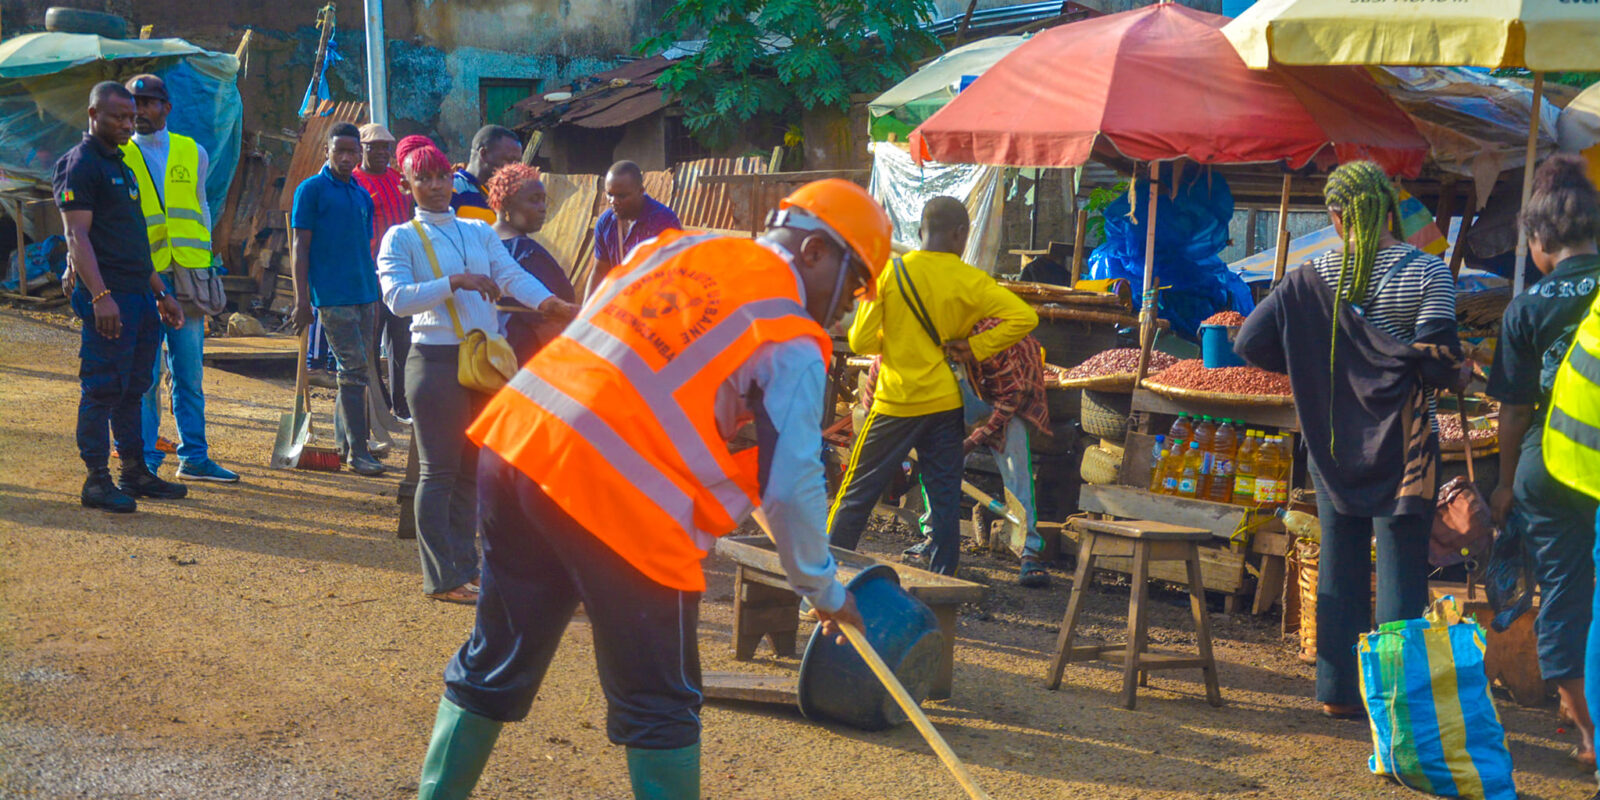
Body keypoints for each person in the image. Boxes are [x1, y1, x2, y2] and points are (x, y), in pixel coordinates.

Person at [415, 179, 887, 800]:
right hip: (622, 497)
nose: (847, 309)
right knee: (659, 703)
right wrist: (822, 589)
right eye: (853, 287)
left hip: (522, 446)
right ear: (817, 253)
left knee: (494, 657)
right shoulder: (788, 328)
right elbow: (793, 480)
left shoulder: (672, 248)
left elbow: (631, 359)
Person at [1235, 160, 1464, 719]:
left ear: (1337, 219)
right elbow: (1436, 365)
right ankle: (1397, 703)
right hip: (1405, 444)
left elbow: (1248, 341)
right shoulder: (1427, 273)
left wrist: (1320, 371)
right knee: (1401, 566)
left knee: (1339, 558)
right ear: (1389, 209)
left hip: (1333, 442)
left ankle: (1337, 695)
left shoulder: (1308, 279)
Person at [378, 137, 580, 605]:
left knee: (472, 471)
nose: (434, 186)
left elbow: (511, 277)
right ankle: (442, 577)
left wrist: (550, 303)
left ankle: (466, 571)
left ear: (454, 177)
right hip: (434, 362)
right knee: (438, 473)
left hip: (484, 361)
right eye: (422, 178)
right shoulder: (402, 237)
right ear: (407, 185)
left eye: (441, 176)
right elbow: (398, 299)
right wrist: (455, 282)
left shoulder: (479, 231)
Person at [827, 196, 1037, 577]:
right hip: (945, 405)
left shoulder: (891, 273)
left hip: (895, 403)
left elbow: (860, 344)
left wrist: (892, 340)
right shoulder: (972, 280)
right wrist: (974, 347)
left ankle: (824, 579)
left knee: (857, 493)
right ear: (960, 234)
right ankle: (942, 588)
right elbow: (1023, 317)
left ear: (921, 231)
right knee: (943, 499)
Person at [1491, 155, 1600, 768]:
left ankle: (1586, 731)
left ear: (1539, 239)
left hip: (1549, 466)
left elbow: (1512, 410)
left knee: (1563, 589)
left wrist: (1504, 484)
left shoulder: (1526, 308)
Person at [54, 81, 189, 512]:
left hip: (139, 296)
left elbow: (133, 241)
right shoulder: (80, 165)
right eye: (119, 116)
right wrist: (100, 296)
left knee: (134, 388)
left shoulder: (122, 165)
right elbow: (77, 236)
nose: (129, 124)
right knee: (102, 389)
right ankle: (96, 480)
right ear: (93, 115)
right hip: (109, 298)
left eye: (132, 117)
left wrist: (162, 293)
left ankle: (134, 471)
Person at [120, 74, 239, 484]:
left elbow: (203, 207)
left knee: (188, 373)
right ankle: (148, 460)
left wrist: (207, 263)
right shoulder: (120, 155)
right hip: (143, 278)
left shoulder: (193, 152)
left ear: (166, 108)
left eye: (148, 103)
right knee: (146, 377)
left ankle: (195, 457)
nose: (139, 111)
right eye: (134, 104)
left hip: (187, 278)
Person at [875, 318, 1053, 587]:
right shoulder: (929, 339)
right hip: (965, 389)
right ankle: (933, 537)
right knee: (936, 458)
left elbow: (1009, 400)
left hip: (1013, 397)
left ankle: (1029, 551)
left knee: (1017, 470)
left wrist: (971, 441)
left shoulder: (998, 342)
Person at [290, 121, 385, 476]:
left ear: (360, 154)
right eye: (340, 151)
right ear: (326, 152)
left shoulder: (361, 193)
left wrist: (374, 293)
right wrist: (303, 300)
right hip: (332, 295)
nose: (347, 158)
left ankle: (348, 445)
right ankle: (359, 452)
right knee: (354, 368)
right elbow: (301, 245)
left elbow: (364, 246)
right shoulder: (311, 190)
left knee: (357, 371)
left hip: (365, 292)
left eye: (352, 151)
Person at [351, 122, 415, 421]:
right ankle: (379, 404)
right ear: (361, 149)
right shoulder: (354, 182)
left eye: (385, 147)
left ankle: (402, 405)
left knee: (401, 340)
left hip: (402, 272)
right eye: (372, 146)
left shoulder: (399, 180)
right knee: (371, 340)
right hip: (369, 273)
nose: (380, 152)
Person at [485, 162, 577, 360]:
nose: (542, 208)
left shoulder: (479, 245)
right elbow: (552, 320)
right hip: (528, 362)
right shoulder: (527, 254)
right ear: (507, 203)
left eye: (544, 201)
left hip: (489, 362)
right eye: (534, 200)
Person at [583, 160, 681, 299]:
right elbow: (600, 271)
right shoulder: (605, 223)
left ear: (641, 191)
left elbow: (675, 275)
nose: (613, 201)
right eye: (609, 194)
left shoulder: (663, 222)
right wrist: (585, 315)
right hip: (623, 304)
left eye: (622, 196)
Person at [451, 125, 521, 225]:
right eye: (510, 160)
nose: (515, 168)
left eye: (518, 162)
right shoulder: (453, 188)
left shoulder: (500, 196)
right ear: (483, 154)